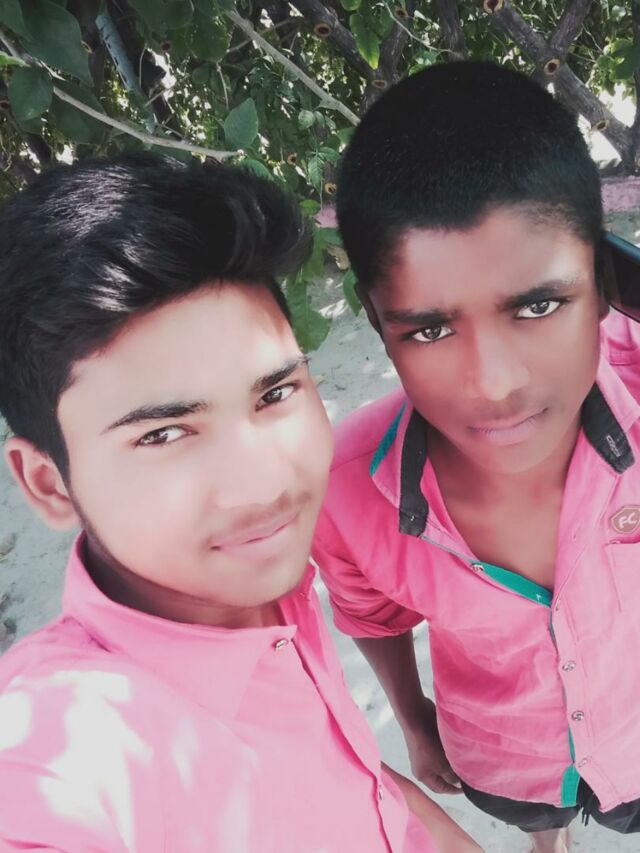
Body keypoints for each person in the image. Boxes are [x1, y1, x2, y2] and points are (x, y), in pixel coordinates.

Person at [0, 153, 480, 852]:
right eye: (163, 433)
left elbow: (342, 775)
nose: (262, 486)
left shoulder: (255, 586)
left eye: (275, 393)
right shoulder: (68, 751)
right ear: (48, 483)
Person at [312, 60, 640, 853]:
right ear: (378, 323)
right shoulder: (348, 491)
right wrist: (412, 719)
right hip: (505, 756)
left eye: (539, 304)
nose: (494, 385)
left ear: (603, 284)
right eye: (429, 329)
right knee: (540, 825)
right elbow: (371, 613)